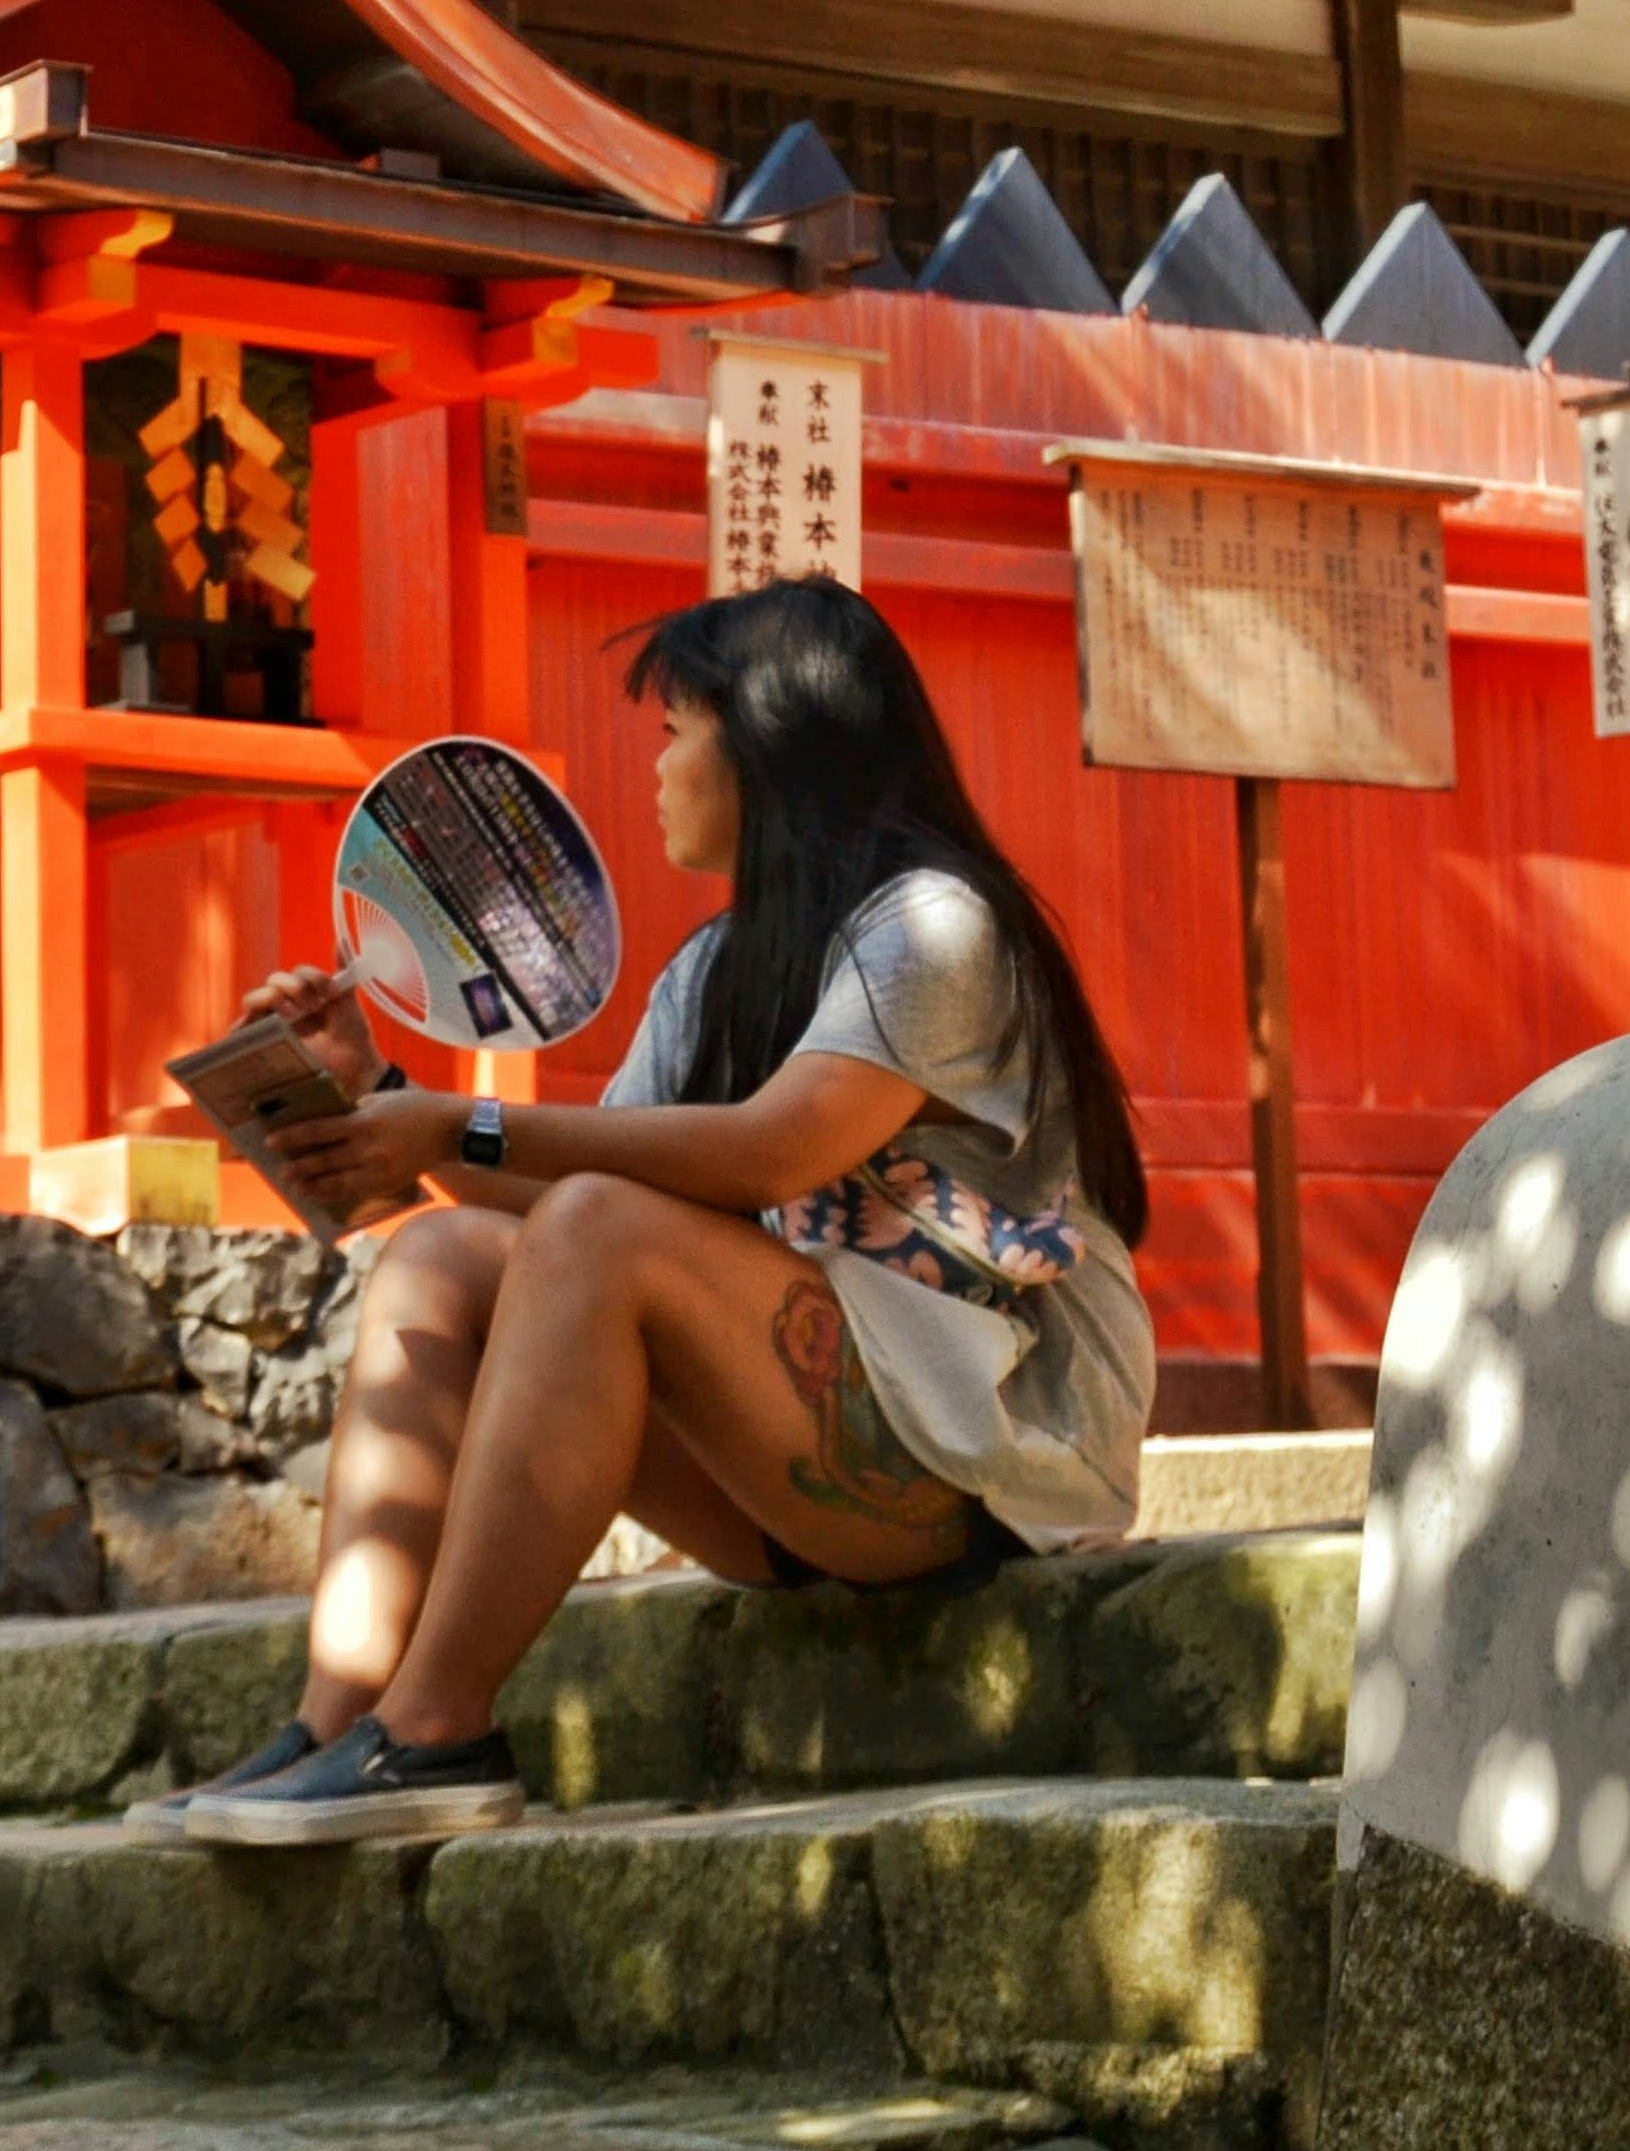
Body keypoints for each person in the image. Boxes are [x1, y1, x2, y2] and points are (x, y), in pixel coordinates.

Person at [137, 575, 1156, 1850]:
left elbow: (767, 1152)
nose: (659, 763)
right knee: (449, 1251)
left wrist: (454, 1122)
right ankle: (339, 1724)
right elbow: (560, 1204)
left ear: (770, 743)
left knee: (595, 1230)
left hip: (977, 1468)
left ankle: (439, 1727)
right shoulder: (713, 973)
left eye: (679, 728)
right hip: (801, 1463)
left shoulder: (936, 929)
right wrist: (376, 1092)